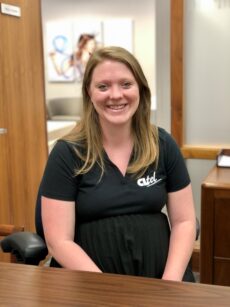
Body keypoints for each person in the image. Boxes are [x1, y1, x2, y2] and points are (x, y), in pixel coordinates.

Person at [41, 46, 196, 282]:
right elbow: (58, 241)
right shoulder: (67, 153)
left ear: (141, 90)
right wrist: (110, 290)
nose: (115, 95)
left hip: (163, 280)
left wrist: (170, 284)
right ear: (89, 94)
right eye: (103, 86)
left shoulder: (163, 145)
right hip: (89, 284)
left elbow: (184, 221)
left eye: (126, 84)